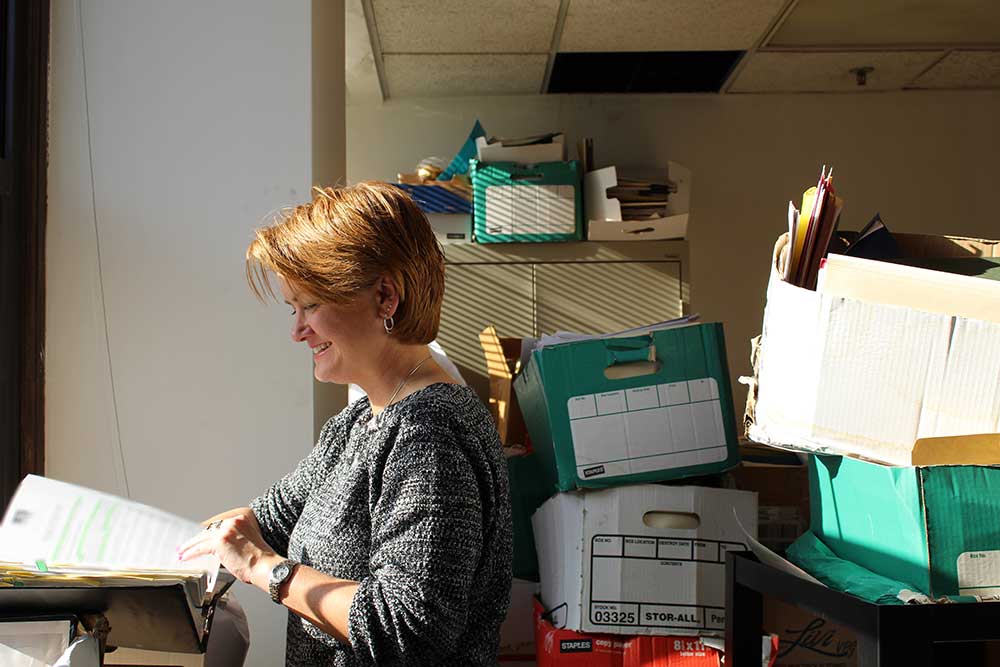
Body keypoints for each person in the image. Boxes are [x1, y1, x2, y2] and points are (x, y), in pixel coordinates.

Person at [177, 182, 513, 666]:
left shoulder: (430, 434)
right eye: (294, 308)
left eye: (311, 305)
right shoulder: (361, 420)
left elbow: (407, 630)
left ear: (385, 296)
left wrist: (262, 568)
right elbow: (265, 517)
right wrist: (152, 552)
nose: (297, 331)